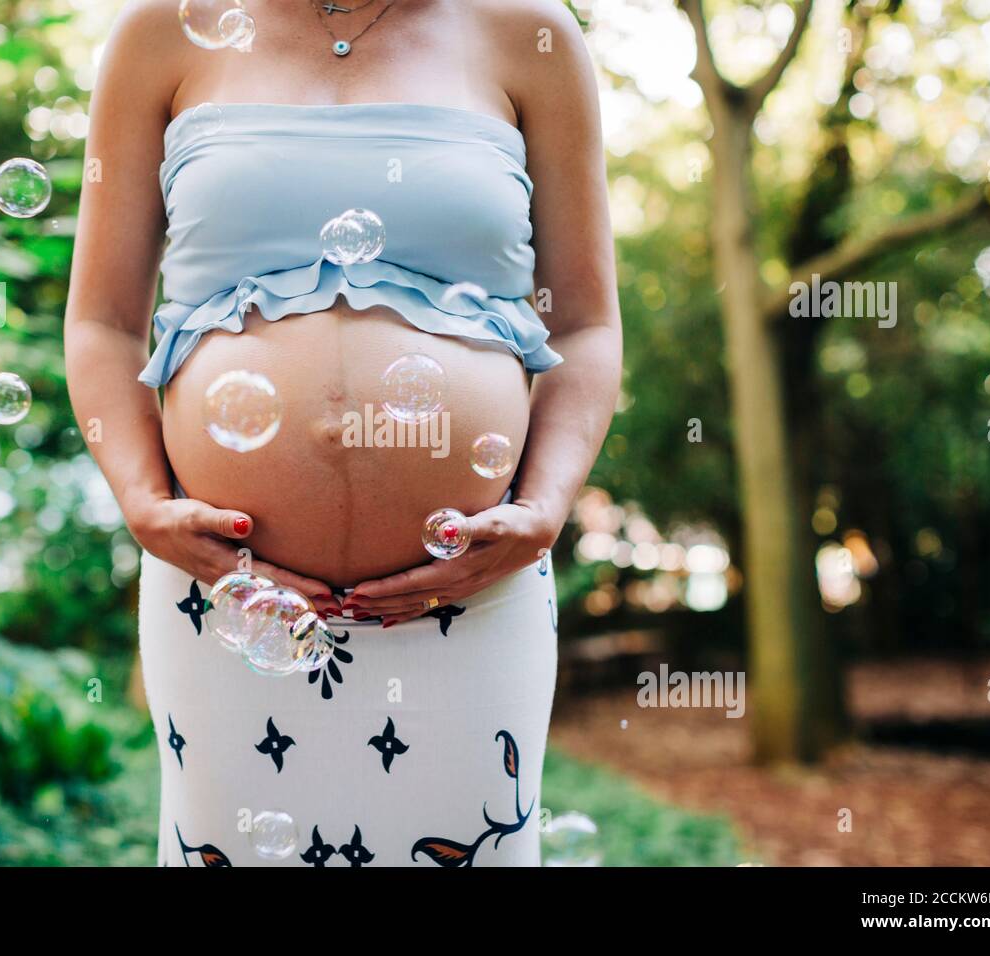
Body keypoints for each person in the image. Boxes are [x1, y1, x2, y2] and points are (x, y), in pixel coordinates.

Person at [65, 0, 621, 866]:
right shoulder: (160, 30)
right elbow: (100, 322)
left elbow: (586, 325)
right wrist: (141, 502)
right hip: (221, 595)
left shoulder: (530, 32)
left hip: (473, 593)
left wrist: (545, 508)